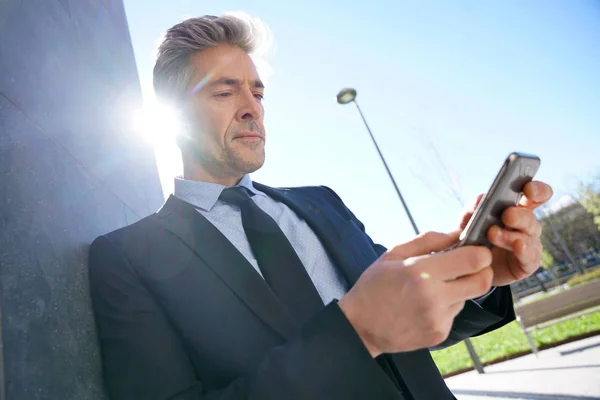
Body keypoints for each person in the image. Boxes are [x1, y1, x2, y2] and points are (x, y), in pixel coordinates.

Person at [88, 13, 553, 400]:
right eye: (225, 92)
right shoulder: (127, 258)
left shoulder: (322, 203)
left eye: (258, 91)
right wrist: (356, 334)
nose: (253, 108)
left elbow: (411, 319)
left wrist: (480, 275)